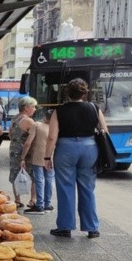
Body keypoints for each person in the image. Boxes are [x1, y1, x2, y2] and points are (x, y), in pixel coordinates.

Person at [44, 78, 108, 238]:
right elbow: (104, 131)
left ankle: (65, 227)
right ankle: (92, 228)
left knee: (65, 187)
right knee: (88, 188)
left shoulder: (59, 111)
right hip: (90, 148)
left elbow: (52, 136)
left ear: (67, 93)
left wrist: (47, 157)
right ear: (84, 93)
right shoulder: (94, 108)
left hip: (65, 149)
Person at [21, 109, 55, 215]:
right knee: (49, 179)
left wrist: (22, 157)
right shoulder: (56, 128)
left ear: (45, 116)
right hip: (51, 157)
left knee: (39, 180)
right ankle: (47, 205)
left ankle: (39, 206)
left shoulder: (37, 125)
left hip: (38, 156)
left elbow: (28, 143)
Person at [8, 97, 37, 208]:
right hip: (27, 152)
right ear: (26, 108)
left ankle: (17, 200)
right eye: (33, 106)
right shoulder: (29, 121)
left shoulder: (15, 118)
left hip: (14, 150)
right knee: (32, 174)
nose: (35, 109)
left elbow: (11, 134)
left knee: (15, 174)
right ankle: (33, 199)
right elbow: (33, 139)